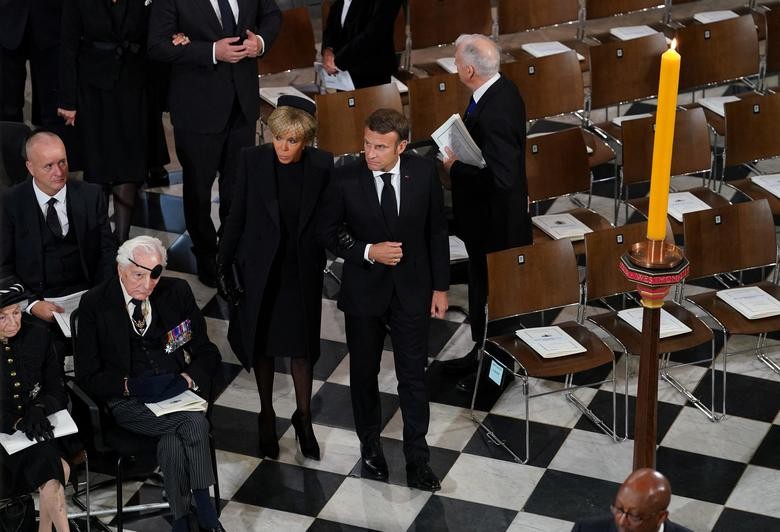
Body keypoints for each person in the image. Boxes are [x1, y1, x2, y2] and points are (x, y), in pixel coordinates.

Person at [317, 109, 449, 491]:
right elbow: (328, 231)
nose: (370, 153)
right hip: (364, 293)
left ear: (401, 146)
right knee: (363, 374)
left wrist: (440, 288)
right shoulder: (345, 176)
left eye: (380, 147)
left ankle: (417, 459)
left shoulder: (423, 172)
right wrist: (368, 251)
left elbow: (436, 231)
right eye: (367, 144)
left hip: (412, 290)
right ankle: (370, 447)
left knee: (413, 378)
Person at [75, 236, 223, 532]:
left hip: (176, 395)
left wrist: (186, 378)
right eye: (138, 275)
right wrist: (130, 386)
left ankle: (181, 521)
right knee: (195, 424)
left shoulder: (176, 292)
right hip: (128, 401)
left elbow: (208, 352)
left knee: (173, 439)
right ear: (121, 269)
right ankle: (206, 514)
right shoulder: (95, 303)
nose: (147, 284)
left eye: (154, 276)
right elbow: (87, 376)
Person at [217, 96, 333, 461]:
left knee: (302, 350)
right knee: (263, 347)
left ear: (306, 141)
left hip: (300, 273)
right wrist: (223, 264)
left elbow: (329, 221)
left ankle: (304, 418)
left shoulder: (322, 165)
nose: (282, 147)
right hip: (260, 272)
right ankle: (266, 415)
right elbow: (236, 216)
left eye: (292, 141)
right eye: (278, 138)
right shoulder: (252, 160)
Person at [147, 0, 281, 287]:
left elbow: (271, 15)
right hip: (197, 108)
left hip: (242, 104)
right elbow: (157, 44)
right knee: (198, 190)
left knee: (237, 185)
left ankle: (231, 249)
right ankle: (207, 254)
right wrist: (211, 51)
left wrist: (259, 42)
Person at [440, 34, 532, 393]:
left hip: (496, 225)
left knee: (495, 297)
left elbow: (502, 179)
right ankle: (479, 353)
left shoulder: (494, 111)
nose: (454, 66)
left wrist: (455, 167)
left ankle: (496, 371)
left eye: (456, 61)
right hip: (485, 219)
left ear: (469, 70)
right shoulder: (501, 90)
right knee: (479, 292)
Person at [57, 0, 171, 244]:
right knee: (97, 166)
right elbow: (67, 46)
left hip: (135, 87)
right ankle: (99, 240)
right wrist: (67, 100)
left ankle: (121, 240)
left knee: (129, 165)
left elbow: (158, 29)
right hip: (92, 90)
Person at [0, 130, 116, 334]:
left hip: (88, 291)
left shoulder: (91, 195)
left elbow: (107, 252)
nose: (59, 172)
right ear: (30, 167)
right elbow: (3, 266)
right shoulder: (9, 203)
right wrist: (32, 304)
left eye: (62, 162)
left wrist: (101, 294)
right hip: (37, 296)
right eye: (49, 166)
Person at [0, 279, 80, 532]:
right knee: (57, 468)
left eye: (16, 313)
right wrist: (15, 422)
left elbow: (56, 387)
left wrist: (40, 408)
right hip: (4, 435)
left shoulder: (38, 335)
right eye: (2, 317)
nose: (13, 323)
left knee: (54, 468)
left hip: (37, 428)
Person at [0, 0, 62, 127]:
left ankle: (47, 137)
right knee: (8, 105)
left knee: (51, 105)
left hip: (53, 22)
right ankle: (11, 137)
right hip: (7, 19)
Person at [572, 468, 693, 532]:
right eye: (619, 510)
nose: (621, 522)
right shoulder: (586, 529)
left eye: (634, 516)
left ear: (661, 517)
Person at [321, 0, 402, 89]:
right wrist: (328, 49)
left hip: (373, 74)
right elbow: (331, 28)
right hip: (343, 76)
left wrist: (336, 62)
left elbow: (374, 35)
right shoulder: (337, 3)